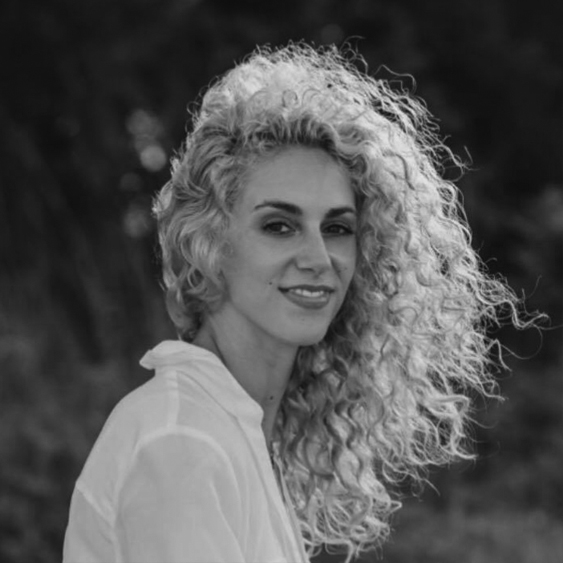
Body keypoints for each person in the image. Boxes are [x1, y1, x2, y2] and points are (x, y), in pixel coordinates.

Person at [63, 43, 528, 563]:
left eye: (337, 228)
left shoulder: (234, 430)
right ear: (209, 242)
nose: (318, 258)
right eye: (279, 226)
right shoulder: (183, 444)